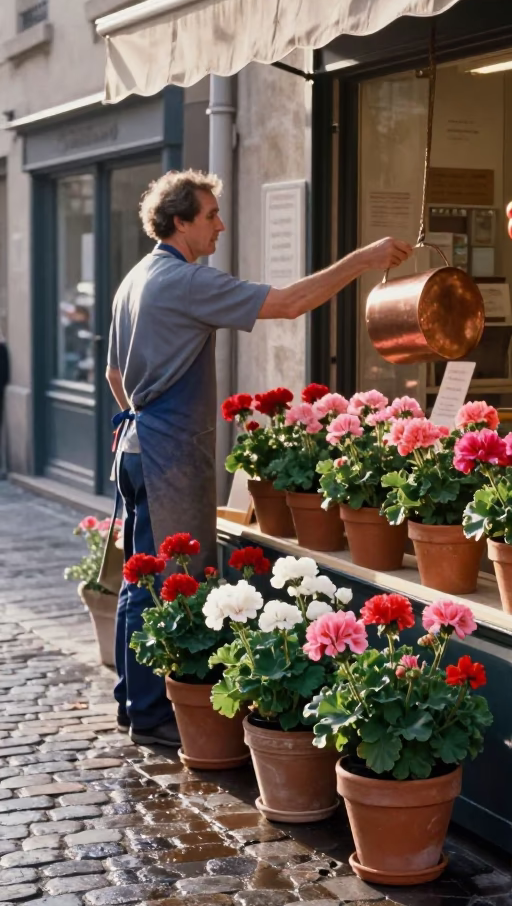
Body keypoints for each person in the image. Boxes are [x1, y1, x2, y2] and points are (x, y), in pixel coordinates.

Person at [106, 169, 412, 746]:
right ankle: (150, 715)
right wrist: (363, 259)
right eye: (211, 215)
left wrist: (142, 418)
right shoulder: (184, 281)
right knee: (170, 581)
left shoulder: (135, 278)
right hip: (169, 453)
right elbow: (292, 304)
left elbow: (113, 375)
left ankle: (134, 702)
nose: (220, 224)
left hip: (136, 446)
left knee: (140, 579)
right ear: (180, 222)